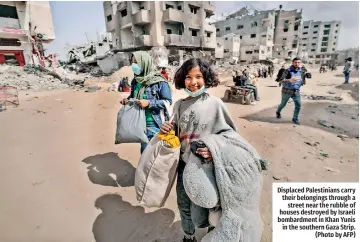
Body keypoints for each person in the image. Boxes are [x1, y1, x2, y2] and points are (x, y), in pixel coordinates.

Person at [120, 51, 172, 153]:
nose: (134, 65)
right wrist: (128, 100)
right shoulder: (136, 81)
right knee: (145, 153)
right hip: (139, 123)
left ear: (145, 62)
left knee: (150, 155)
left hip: (155, 124)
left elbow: (167, 102)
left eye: (136, 62)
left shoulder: (159, 81)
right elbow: (133, 97)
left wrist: (149, 103)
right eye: (133, 62)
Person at [276, 57, 303, 125]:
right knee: (283, 104)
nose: (297, 64)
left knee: (298, 105)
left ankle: (295, 118)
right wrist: (289, 80)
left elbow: (301, 79)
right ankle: (278, 111)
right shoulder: (287, 71)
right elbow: (281, 80)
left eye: (298, 62)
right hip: (286, 91)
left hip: (296, 91)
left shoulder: (301, 70)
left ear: (300, 63)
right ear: (292, 63)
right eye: (295, 62)